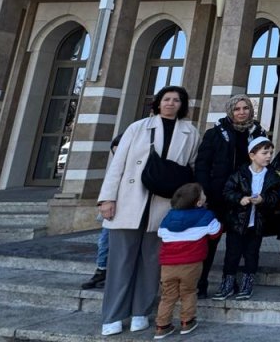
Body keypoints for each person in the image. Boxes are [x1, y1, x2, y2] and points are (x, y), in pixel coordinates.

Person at [97, 85, 200, 337]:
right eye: (167, 99)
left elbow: (192, 169)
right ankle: (113, 315)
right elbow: (117, 165)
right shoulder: (137, 128)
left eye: (176, 100)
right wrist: (107, 198)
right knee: (120, 262)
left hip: (164, 204)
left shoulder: (190, 132)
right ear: (158, 102)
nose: (171, 103)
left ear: (182, 105)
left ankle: (140, 312)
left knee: (151, 263)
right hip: (130, 201)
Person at [192, 94, 266, 297]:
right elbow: (203, 164)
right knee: (210, 241)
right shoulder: (216, 133)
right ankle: (201, 282)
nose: (241, 112)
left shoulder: (259, 133)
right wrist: (203, 190)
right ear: (230, 111)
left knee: (237, 244)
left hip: (243, 198)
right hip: (216, 196)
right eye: (237, 109)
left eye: (245, 108)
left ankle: (230, 280)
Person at [214, 136, 280, 301]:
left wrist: (263, 200)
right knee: (232, 254)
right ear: (252, 155)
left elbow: (275, 198)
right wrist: (239, 199)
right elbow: (227, 192)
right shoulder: (240, 173)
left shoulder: (272, 176)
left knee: (251, 254)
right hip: (237, 222)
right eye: (264, 152)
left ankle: (247, 283)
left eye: (271, 153)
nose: (268, 156)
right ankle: (228, 283)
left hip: (256, 224)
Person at [154, 183, 221, 339]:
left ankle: (162, 325)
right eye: (203, 194)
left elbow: (160, 233)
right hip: (191, 263)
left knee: (167, 295)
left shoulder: (169, 216)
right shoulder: (206, 215)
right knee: (189, 292)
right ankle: (187, 322)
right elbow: (215, 232)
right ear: (198, 202)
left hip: (168, 265)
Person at [83, 132, 122, 291]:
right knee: (105, 240)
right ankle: (102, 270)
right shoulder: (114, 168)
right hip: (113, 210)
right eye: (115, 151)